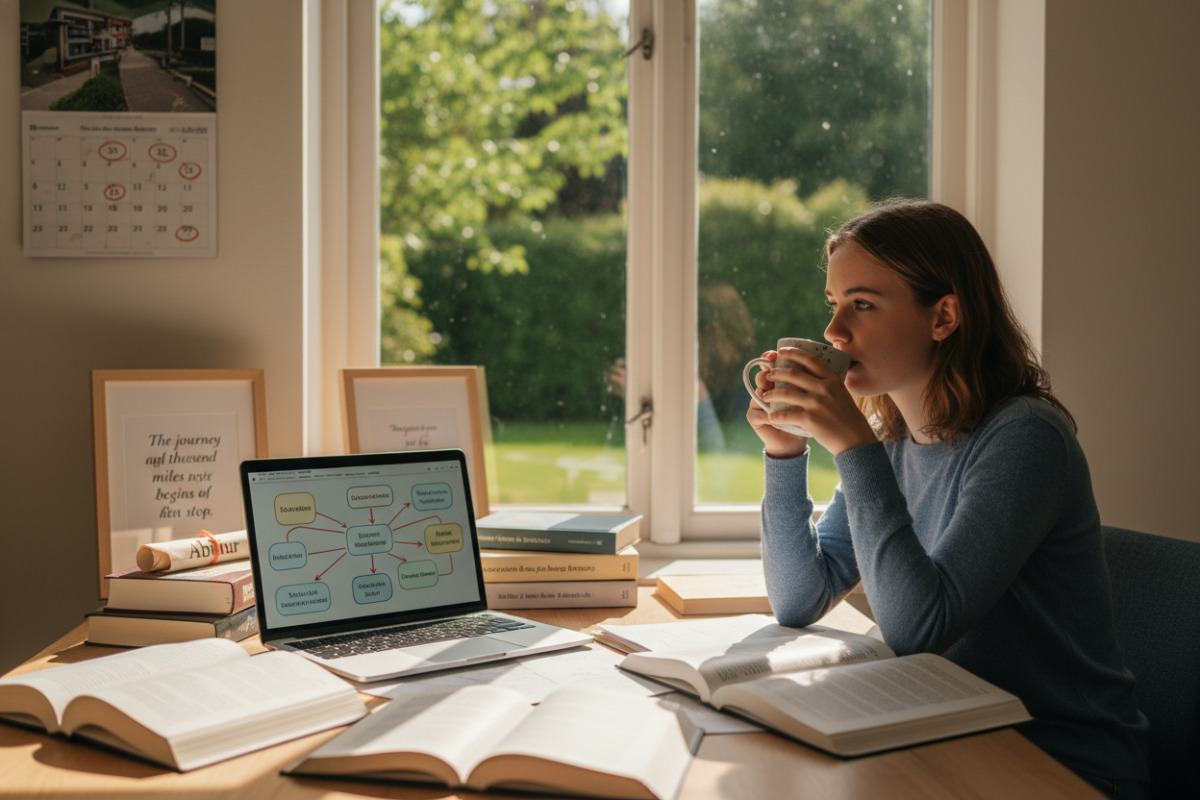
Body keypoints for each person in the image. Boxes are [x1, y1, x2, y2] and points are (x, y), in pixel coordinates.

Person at [748, 200, 1149, 800]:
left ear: (944, 317)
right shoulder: (894, 443)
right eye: (834, 304)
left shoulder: (1025, 438)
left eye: (863, 304)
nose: (833, 333)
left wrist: (854, 448)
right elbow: (798, 599)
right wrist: (785, 457)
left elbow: (919, 628)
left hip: (1061, 764)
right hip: (948, 733)